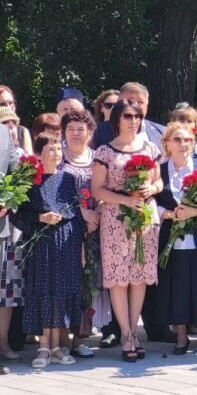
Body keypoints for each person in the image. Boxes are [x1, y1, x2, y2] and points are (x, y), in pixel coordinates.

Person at [91, 83, 171, 346]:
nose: (133, 121)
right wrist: (126, 199)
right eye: (128, 116)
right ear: (117, 119)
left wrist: (152, 187)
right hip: (115, 220)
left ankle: (133, 332)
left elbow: (160, 182)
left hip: (144, 221)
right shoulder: (105, 151)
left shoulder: (149, 148)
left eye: (137, 116)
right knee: (119, 279)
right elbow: (97, 190)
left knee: (138, 278)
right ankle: (125, 333)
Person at [11, 132, 85, 368]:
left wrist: (80, 245)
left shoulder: (68, 179)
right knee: (43, 289)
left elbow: (76, 213)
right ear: (39, 154)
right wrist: (41, 217)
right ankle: (43, 345)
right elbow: (17, 215)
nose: (56, 153)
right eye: (51, 149)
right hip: (41, 243)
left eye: (58, 149)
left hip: (66, 243)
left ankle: (57, 346)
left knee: (61, 292)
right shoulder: (31, 181)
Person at [155, 123, 197, 355]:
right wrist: (170, 214)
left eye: (187, 140)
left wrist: (196, 211)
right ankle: (181, 336)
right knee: (177, 288)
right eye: (177, 140)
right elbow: (152, 202)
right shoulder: (160, 170)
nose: (183, 144)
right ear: (167, 144)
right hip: (172, 240)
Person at [59, 110, 103, 359]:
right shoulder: (58, 158)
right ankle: (62, 338)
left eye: (80, 129)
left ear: (89, 133)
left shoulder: (97, 158)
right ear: (64, 133)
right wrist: (81, 213)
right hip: (66, 231)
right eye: (70, 129)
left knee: (89, 284)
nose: (76, 133)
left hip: (95, 230)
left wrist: (96, 213)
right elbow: (53, 193)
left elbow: (105, 188)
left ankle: (79, 339)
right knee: (67, 283)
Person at [91, 82, 165, 150]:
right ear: (119, 103)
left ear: (147, 105)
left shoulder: (163, 133)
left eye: (140, 102)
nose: (135, 105)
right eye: (130, 101)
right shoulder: (97, 132)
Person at [0, 124, 19, 371]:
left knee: (3, 291)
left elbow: (17, 171)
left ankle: (2, 344)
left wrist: (7, 199)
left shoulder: (3, 132)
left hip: (2, 224)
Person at [0, 86, 33, 154]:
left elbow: (30, 161)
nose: (8, 107)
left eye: (11, 103)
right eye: (2, 104)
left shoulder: (22, 131)